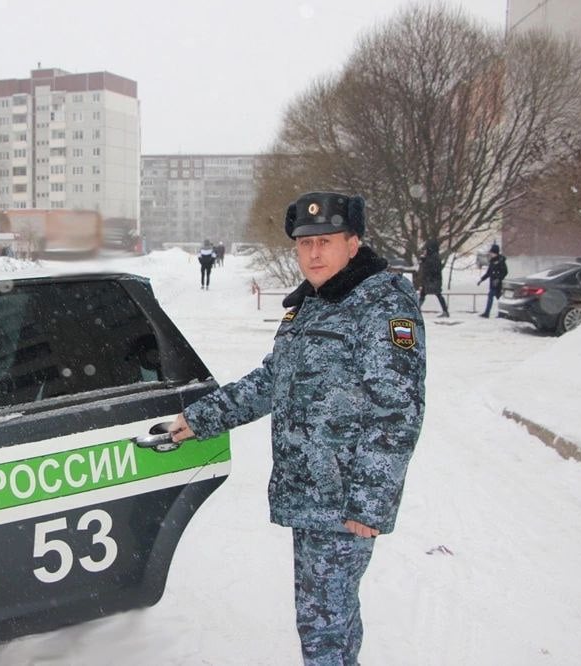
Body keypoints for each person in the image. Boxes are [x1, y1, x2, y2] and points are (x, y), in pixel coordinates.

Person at [169, 191, 426, 665]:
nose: (313, 253)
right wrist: (201, 418)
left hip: (344, 502)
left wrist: (369, 505)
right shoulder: (312, 303)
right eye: (304, 244)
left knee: (323, 626)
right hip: (311, 496)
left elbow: (397, 411)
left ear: (353, 243)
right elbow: (273, 379)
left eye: (325, 241)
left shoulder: (379, 305)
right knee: (330, 620)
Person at [418, 240, 450, 317]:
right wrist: (424, 260)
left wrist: (424, 261)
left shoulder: (434, 257)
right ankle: (416, 310)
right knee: (425, 294)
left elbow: (432, 268)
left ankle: (445, 311)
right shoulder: (432, 257)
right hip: (431, 280)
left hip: (432, 280)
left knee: (437, 294)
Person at [477, 243, 508, 318]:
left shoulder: (501, 261)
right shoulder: (492, 261)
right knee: (497, 297)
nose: (491, 254)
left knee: (496, 297)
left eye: (492, 253)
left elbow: (505, 272)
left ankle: (498, 313)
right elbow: (488, 273)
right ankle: (491, 313)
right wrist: (481, 279)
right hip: (492, 283)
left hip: (498, 284)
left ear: (496, 253)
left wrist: (498, 279)